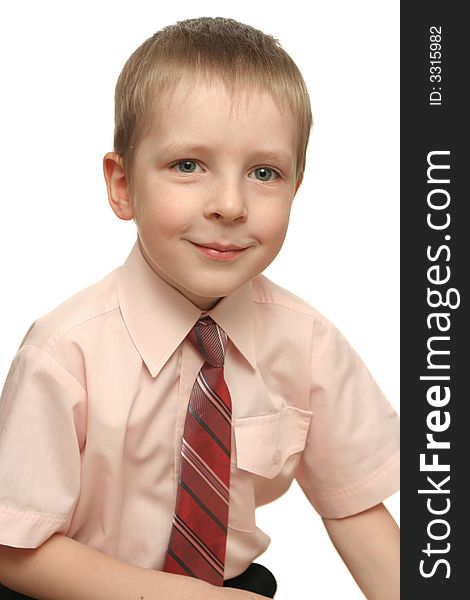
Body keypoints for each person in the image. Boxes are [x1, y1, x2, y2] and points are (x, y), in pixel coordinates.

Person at [0, 16, 399, 600]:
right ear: (122, 186)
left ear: (296, 188)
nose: (231, 205)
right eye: (188, 165)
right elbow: (14, 548)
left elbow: (356, 510)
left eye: (265, 173)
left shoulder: (309, 344)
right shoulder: (64, 351)